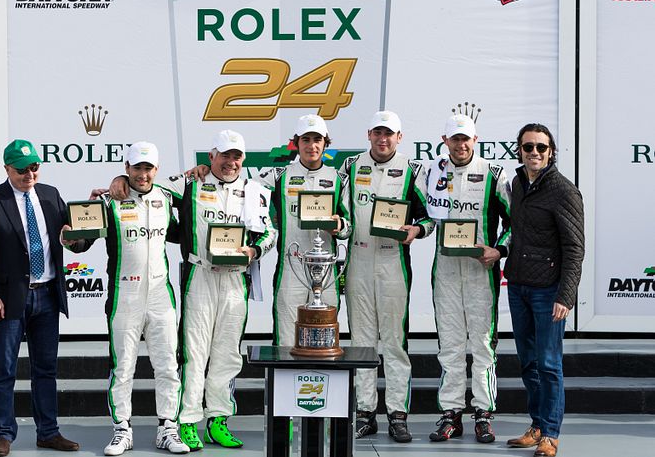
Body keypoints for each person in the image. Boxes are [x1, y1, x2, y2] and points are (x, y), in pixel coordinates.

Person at [108, 130, 277, 451]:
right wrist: (119, 178)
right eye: (224, 155)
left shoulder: (255, 190)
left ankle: (219, 420)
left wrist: (254, 251)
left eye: (236, 156)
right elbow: (145, 187)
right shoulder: (188, 183)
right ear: (211, 157)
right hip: (199, 275)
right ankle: (187, 421)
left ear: (243, 159)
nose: (231, 162)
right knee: (194, 352)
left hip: (236, 279)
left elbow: (270, 231)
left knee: (227, 352)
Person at [184, 114, 351, 346]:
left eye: (317, 140)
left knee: (324, 338)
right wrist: (206, 168)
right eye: (305, 139)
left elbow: (349, 228)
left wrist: (339, 226)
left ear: (325, 143)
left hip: (326, 272)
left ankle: (322, 382)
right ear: (296, 143)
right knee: (285, 339)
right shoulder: (277, 176)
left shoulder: (339, 179)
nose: (311, 146)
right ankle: (288, 383)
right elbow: (236, 184)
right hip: (290, 268)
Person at [67, 142, 189, 455]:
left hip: (162, 295)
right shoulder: (111, 200)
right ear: (127, 168)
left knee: (168, 366)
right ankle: (122, 430)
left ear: (156, 170)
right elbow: (82, 243)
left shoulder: (165, 196)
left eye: (148, 168)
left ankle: (168, 429)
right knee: (123, 368)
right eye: (137, 168)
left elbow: (185, 220)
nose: (143, 174)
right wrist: (71, 238)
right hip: (125, 295)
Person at [0, 139, 81, 457]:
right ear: (7, 168)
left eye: (34, 167)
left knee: (45, 369)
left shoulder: (50, 194)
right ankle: (3, 433)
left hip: (47, 296)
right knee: (3, 369)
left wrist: (83, 234)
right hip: (9, 300)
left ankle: (48, 432)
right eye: (22, 169)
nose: (30, 174)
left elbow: (71, 238)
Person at [339, 111, 435, 443]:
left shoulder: (413, 169)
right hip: (358, 260)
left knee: (394, 343)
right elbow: (339, 211)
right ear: (369, 134)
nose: (383, 139)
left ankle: (397, 414)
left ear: (400, 137)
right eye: (378, 133)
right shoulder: (350, 166)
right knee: (362, 343)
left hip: (393, 261)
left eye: (389, 134)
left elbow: (430, 217)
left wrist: (417, 230)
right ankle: (365, 413)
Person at [425, 113, 512, 443]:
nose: (461, 144)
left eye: (466, 139)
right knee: (449, 345)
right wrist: (416, 228)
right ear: (444, 141)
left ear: (475, 140)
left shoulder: (493, 174)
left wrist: (498, 251)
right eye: (455, 139)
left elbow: (515, 222)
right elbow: (425, 216)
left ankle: (483, 414)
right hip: (445, 271)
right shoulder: (433, 171)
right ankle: (450, 414)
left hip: (481, 272)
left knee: (482, 345)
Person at [504, 124, 584, 457]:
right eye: (527, 147)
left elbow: (575, 247)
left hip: (548, 292)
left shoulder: (564, 191)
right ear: (519, 150)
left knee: (549, 365)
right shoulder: (518, 183)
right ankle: (537, 425)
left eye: (541, 147)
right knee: (527, 363)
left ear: (551, 151)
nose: (534, 153)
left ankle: (550, 434)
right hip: (518, 286)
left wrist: (566, 295)